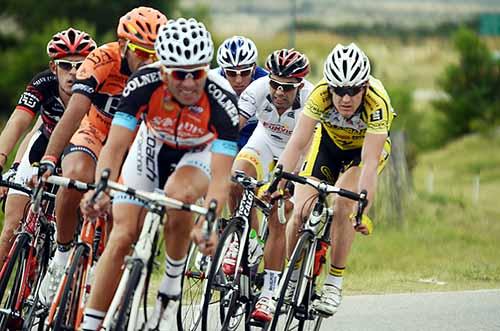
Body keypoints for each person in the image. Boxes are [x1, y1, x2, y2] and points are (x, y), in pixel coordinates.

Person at [79, 18, 239, 331]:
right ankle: (90, 324)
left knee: (180, 196)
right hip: (151, 145)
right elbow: (114, 147)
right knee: (122, 234)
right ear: (163, 70)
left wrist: (208, 222)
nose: (190, 83)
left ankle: (171, 286)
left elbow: (221, 178)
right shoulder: (143, 83)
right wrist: (102, 188)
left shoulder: (222, 101)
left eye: (198, 73)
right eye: (180, 74)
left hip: (198, 154)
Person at [36, 7, 168, 306]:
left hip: (130, 145)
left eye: (155, 53)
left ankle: (102, 270)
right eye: (140, 51)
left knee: (122, 213)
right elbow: (75, 111)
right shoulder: (102, 59)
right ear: (123, 46)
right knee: (73, 178)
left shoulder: (163, 74)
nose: (148, 60)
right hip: (93, 132)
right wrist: (50, 156)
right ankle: (62, 255)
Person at [274, 43, 395, 316]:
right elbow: (297, 143)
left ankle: (333, 283)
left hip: (362, 154)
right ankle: (291, 279)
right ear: (330, 88)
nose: (345, 98)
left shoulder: (378, 104)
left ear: (364, 87)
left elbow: (370, 162)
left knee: (343, 201)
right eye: (339, 90)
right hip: (328, 145)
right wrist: (276, 182)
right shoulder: (319, 95)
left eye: (353, 90)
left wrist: (361, 210)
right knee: (301, 210)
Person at [222, 48, 313, 322]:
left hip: (298, 151)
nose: (279, 92)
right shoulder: (257, 88)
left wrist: (288, 182)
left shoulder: (311, 100)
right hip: (264, 141)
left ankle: (270, 294)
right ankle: (245, 240)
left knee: (279, 211)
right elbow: (233, 127)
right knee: (235, 179)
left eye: (287, 88)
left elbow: (308, 147)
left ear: (299, 86)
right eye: (275, 84)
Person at [0, 28, 96, 268]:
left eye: (81, 65)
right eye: (66, 65)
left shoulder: (98, 89)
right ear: (54, 68)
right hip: (42, 150)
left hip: (79, 153)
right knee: (11, 226)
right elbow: (18, 123)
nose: (73, 72)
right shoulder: (43, 83)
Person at [212, 35, 268, 149]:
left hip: (257, 134)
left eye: (245, 72)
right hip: (223, 133)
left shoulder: (267, 82)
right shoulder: (212, 80)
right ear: (222, 70)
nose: (238, 80)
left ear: (254, 68)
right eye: (231, 73)